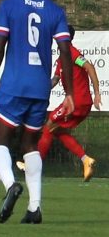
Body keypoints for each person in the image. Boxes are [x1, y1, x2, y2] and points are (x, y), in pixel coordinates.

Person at [0, 0, 74, 224]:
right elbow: (65, 52)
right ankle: (34, 208)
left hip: (14, 84)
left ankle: (11, 185)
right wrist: (69, 92)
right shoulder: (55, 11)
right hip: (40, 87)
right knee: (30, 144)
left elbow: (0, 46)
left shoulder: (9, 6)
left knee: (0, 140)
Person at [25, 25, 101, 181]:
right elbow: (55, 80)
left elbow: (90, 67)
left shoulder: (72, 53)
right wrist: (38, 89)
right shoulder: (62, 59)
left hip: (77, 102)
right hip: (78, 103)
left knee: (48, 126)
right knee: (56, 131)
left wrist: (97, 93)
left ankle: (33, 166)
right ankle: (86, 160)